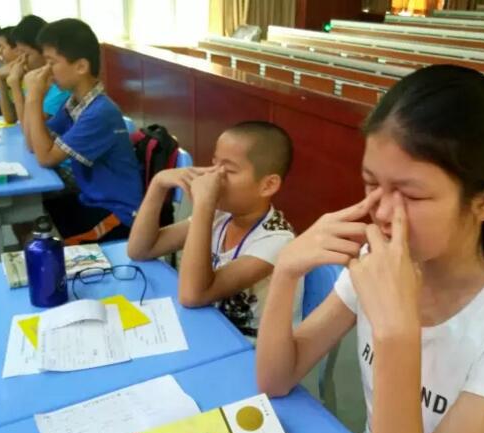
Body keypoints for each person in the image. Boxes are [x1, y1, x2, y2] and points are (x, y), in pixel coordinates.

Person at [256, 65, 484, 433]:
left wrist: (396, 333)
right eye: (371, 183)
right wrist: (286, 271)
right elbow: (275, 379)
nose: (382, 212)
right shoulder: (375, 263)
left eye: (412, 196)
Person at [128, 121, 302, 338]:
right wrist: (158, 184)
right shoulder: (223, 217)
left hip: (249, 348)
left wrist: (204, 205)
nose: (213, 176)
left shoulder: (278, 241)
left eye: (228, 170)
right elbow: (141, 250)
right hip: (209, 326)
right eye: (214, 164)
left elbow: (192, 295)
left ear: (268, 185)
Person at [24, 18, 142, 244]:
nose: (46, 70)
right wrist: (32, 97)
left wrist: (33, 97)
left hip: (117, 214)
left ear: (80, 66)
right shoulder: (74, 103)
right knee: (31, 213)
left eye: (51, 62)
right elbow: (33, 144)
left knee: (39, 238)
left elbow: (46, 157)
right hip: (90, 200)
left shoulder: (100, 112)